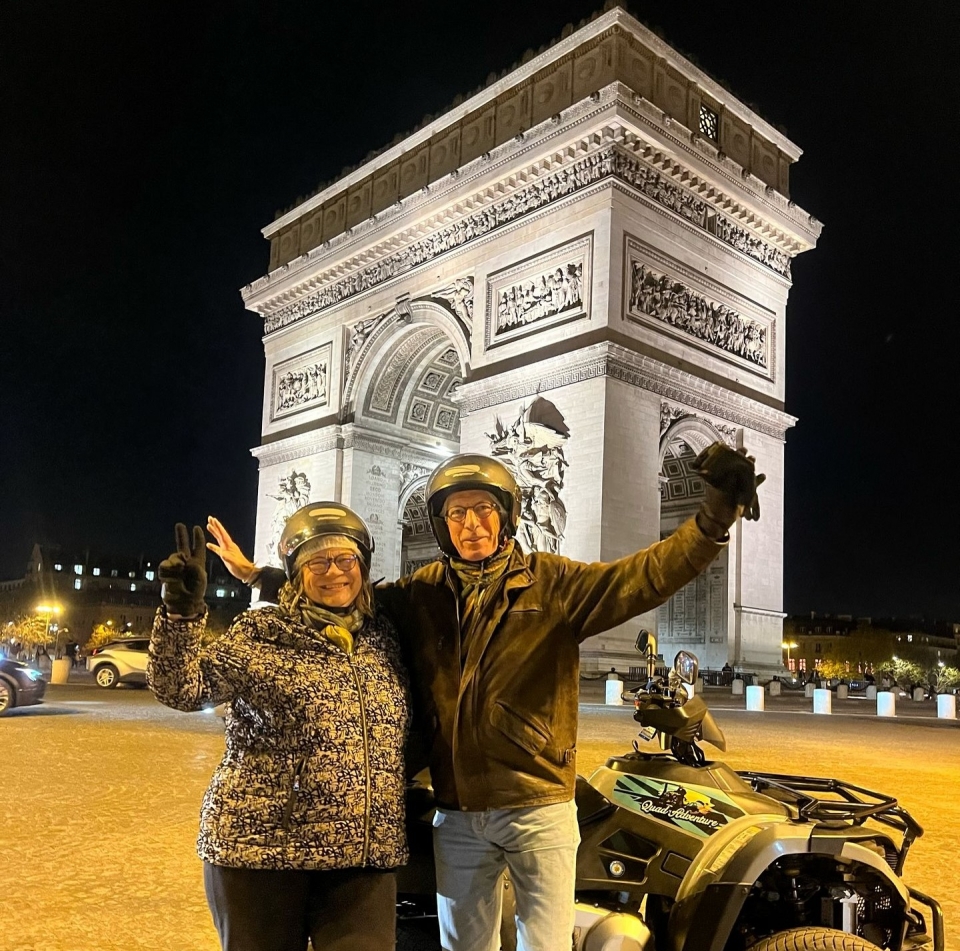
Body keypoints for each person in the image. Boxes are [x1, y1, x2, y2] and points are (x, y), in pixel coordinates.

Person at [209, 440, 762, 951]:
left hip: (539, 805)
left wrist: (713, 519)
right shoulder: (418, 593)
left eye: (483, 510)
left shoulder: (557, 584)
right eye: (456, 513)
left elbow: (645, 576)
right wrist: (262, 576)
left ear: (507, 515)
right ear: (441, 524)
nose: (471, 524)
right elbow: (340, 588)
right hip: (459, 811)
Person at [149, 504, 409, 951]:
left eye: (346, 559)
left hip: (362, 859)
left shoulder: (384, 634)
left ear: (363, 566)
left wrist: (253, 573)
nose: (333, 572)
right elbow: (183, 689)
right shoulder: (261, 631)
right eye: (315, 561)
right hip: (261, 854)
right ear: (296, 572)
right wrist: (180, 616)